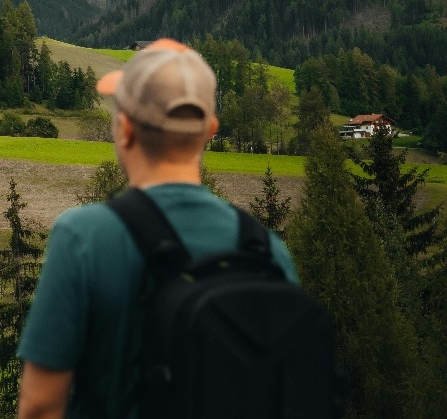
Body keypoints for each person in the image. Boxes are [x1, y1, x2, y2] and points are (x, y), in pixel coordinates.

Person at [16, 38, 299, 419]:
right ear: (210, 131)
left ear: (125, 129)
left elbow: (40, 406)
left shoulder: (83, 237)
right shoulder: (268, 251)